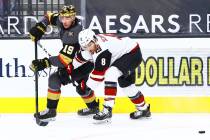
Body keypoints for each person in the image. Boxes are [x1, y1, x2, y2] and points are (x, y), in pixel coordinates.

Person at [29, 5, 99, 123]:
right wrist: (41, 26)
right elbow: (49, 16)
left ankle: (51, 111)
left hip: (83, 63)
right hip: (81, 60)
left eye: (68, 18)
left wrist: (45, 62)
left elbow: (64, 60)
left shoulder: (74, 32)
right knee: (82, 87)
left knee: (54, 79)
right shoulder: (62, 20)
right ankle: (93, 108)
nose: (65, 21)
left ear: (74, 17)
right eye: (63, 18)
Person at [77, 29, 151, 122]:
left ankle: (108, 109)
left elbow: (99, 75)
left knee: (111, 73)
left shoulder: (102, 50)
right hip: (124, 54)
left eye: (89, 45)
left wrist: (87, 87)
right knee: (127, 87)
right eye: (85, 46)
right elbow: (80, 57)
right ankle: (144, 109)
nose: (89, 48)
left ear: (94, 40)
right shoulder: (93, 44)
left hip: (131, 54)